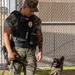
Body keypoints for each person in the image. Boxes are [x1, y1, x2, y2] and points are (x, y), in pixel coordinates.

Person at [3, 0, 43, 75]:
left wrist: (40, 51)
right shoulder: (13, 18)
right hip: (16, 52)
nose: (32, 12)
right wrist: (9, 52)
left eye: (34, 10)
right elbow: (6, 35)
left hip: (30, 52)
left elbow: (39, 35)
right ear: (24, 7)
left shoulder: (36, 20)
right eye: (31, 10)